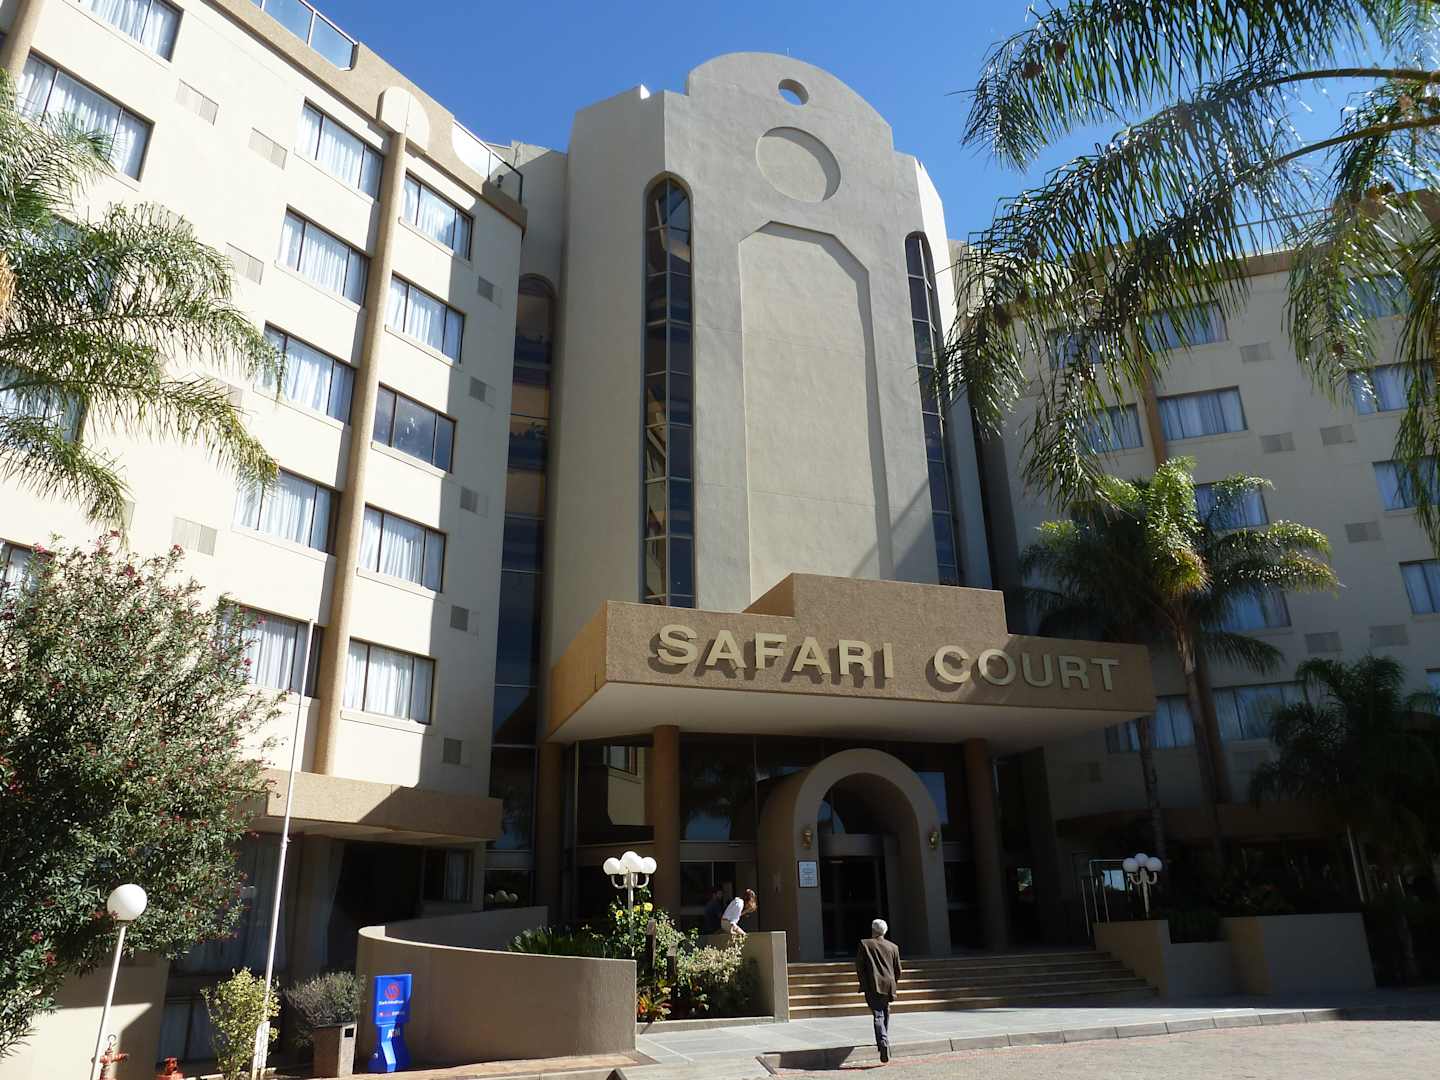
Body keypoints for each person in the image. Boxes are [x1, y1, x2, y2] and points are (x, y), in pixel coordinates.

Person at [855, 918, 902, 1063]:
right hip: (888, 985)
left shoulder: (865, 944)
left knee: (878, 1014)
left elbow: (860, 967)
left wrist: (863, 984)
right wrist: (894, 982)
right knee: (885, 1011)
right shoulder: (893, 947)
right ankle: (883, 1040)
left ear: (873, 930)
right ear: (885, 931)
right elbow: (898, 969)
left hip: (873, 985)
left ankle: (883, 1041)